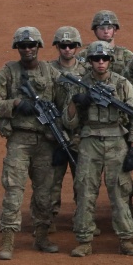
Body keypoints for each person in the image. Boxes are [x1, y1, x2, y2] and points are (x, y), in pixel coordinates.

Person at [0, 26, 66, 260]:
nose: (28, 49)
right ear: (17, 48)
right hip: (19, 139)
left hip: (45, 140)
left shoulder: (52, 73)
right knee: (13, 190)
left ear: (39, 47)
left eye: (32, 45)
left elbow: (64, 107)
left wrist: (62, 139)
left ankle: (42, 236)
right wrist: (15, 105)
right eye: (23, 46)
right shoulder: (8, 73)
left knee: (44, 193)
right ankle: (8, 240)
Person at [64, 41, 133, 257]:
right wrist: (77, 101)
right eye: (96, 59)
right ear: (89, 61)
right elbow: (68, 121)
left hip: (116, 139)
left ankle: (126, 238)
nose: (101, 62)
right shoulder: (79, 85)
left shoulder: (122, 84)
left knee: (120, 191)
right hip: (89, 140)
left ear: (111, 60)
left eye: (105, 58)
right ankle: (83, 239)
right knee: (85, 190)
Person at [48, 26, 87, 233]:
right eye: (63, 45)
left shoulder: (86, 71)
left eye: (71, 45)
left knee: (82, 180)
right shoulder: (48, 70)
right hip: (54, 134)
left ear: (77, 47)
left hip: (80, 135)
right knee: (51, 181)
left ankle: (81, 218)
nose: (67, 49)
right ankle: (49, 219)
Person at [87, 10, 133, 75]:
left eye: (109, 28)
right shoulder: (86, 54)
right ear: (95, 31)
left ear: (115, 30)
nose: (106, 31)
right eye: (101, 28)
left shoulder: (126, 55)